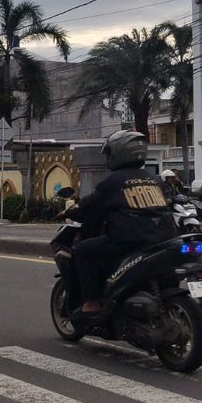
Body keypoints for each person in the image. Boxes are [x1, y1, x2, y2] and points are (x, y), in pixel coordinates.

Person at [71, 130, 176, 322]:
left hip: (129, 241)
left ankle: (92, 302)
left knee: (82, 250)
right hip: (164, 239)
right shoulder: (154, 179)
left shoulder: (113, 181)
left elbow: (90, 206)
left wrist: (71, 211)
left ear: (118, 153)